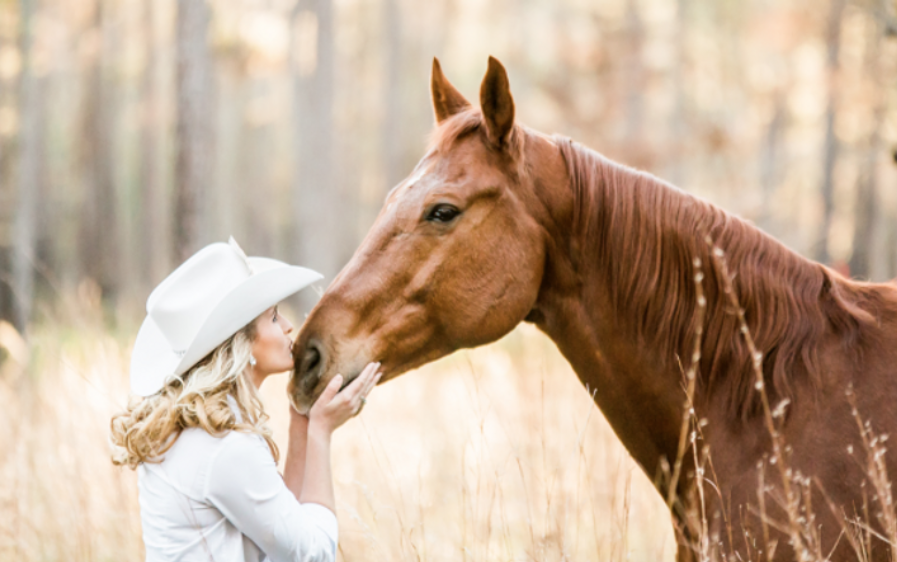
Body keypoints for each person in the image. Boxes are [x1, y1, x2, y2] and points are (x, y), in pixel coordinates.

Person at [110, 237, 381, 562]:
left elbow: (283, 525)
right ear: (241, 342)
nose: (288, 326)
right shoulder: (223, 446)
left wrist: (301, 421)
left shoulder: (199, 428)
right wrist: (321, 432)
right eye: (274, 317)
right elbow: (313, 554)